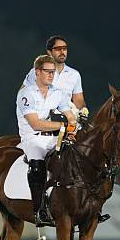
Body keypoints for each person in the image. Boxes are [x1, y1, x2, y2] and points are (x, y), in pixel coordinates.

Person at [17, 54, 77, 227]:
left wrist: (72, 128)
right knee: (37, 163)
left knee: (77, 155)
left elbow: (70, 117)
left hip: (53, 138)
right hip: (32, 139)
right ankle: (39, 211)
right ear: (37, 72)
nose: (51, 75)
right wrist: (62, 126)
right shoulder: (25, 94)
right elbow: (35, 124)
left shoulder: (58, 94)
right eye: (47, 71)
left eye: (53, 72)